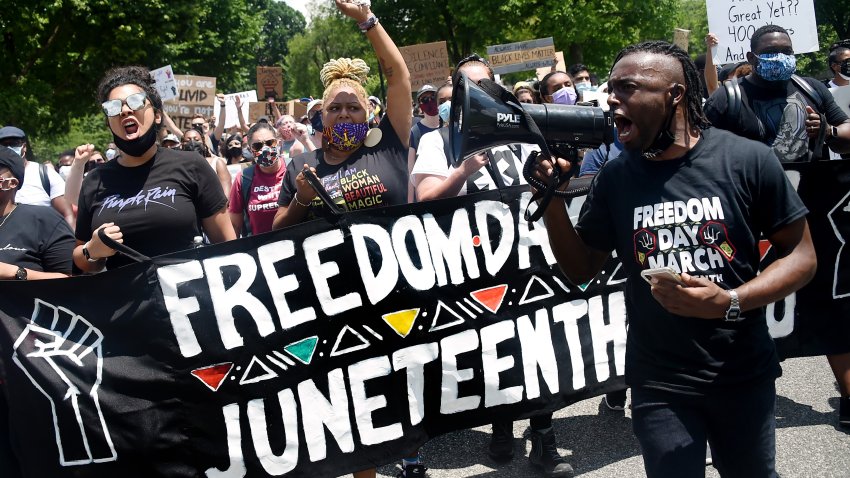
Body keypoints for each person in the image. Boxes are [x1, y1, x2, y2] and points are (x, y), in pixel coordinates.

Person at [535, 40, 816, 477]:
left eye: (628, 87)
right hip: (658, 379)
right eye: (611, 87)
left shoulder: (746, 160)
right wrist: (550, 201)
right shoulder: (616, 176)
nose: (612, 98)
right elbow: (582, 269)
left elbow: (801, 256)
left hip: (740, 370)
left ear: (675, 95)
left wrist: (730, 301)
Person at [411, 54, 572, 478]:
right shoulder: (437, 139)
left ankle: (543, 437)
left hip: (530, 255)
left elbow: (551, 182)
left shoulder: (522, 127)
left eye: (486, 85)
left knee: (538, 345)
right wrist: (461, 172)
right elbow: (425, 200)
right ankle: (502, 426)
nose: (479, 93)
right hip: (475, 262)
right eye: (469, 85)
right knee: (496, 348)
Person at [271, 4, 411, 475]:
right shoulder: (301, 167)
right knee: (350, 396)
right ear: (321, 117)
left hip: (394, 289)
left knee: (398, 383)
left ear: (369, 111)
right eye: (336, 107)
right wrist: (303, 200)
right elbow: (276, 235)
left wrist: (367, 22)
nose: (346, 112)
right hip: (330, 300)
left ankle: (407, 451)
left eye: (355, 105)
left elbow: (397, 75)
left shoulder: (391, 141)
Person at [72, 66, 235, 273]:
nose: (125, 110)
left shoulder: (192, 166)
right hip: (126, 302)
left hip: (189, 299)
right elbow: (81, 259)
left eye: (136, 101)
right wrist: (92, 250)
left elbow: (228, 245)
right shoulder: (95, 181)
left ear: (157, 116)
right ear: (109, 124)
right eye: (113, 107)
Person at [0, 145, 76, 478]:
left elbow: (67, 283)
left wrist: (12, 273)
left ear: (8, 182)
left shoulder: (40, 218)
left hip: (27, 367)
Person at [704, 25, 850, 163]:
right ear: (751, 57)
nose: (780, 57)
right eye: (771, 51)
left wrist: (829, 131)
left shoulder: (812, 89)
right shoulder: (726, 99)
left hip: (806, 186)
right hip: (752, 188)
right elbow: (705, 153)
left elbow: (846, 134)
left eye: (787, 52)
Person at [0, 126, 74, 227]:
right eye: (3, 145)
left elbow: (67, 214)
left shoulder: (45, 173)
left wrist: (69, 242)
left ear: (24, 146)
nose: (8, 148)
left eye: (14, 143)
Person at [228, 122, 287, 236]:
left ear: (278, 143)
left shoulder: (293, 169)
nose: (265, 149)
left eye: (270, 143)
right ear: (250, 150)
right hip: (259, 249)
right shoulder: (243, 179)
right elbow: (235, 225)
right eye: (257, 146)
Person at [407, 84, 440, 201]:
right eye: (425, 99)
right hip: (428, 191)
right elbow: (411, 171)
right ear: (420, 105)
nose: (430, 101)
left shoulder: (450, 124)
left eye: (433, 97)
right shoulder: (416, 131)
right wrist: (411, 205)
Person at [182, 127, 233, 198]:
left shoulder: (217, 163)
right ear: (182, 144)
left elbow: (226, 194)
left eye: (196, 140)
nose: (192, 142)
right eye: (188, 140)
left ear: (203, 143)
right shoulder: (178, 166)